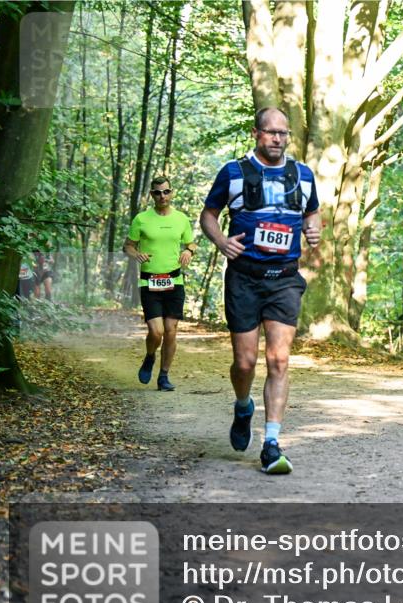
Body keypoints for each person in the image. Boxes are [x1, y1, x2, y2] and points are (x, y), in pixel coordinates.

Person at [199, 107, 321, 475]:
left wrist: (313, 230)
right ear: (257, 133)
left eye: (283, 134)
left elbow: (312, 212)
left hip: (284, 277)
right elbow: (209, 214)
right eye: (271, 133)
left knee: (279, 360)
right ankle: (242, 405)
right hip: (245, 277)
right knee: (245, 362)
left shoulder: (302, 174)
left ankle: (271, 442)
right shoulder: (233, 172)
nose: (278, 139)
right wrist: (222, 241)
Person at [123, 176, 197, 392]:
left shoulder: (181, 219)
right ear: (152, 195)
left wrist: (188, 250)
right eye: (157, 192)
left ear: (171, 192)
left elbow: (191, 242)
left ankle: (164, 376)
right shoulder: (141, 219)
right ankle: (149, 356)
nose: (162, 196)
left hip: (174, 281)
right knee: (156, 331)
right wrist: (136, 254)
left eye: (165, 191)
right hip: (150, 283)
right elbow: (127, 246)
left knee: (171, 330)